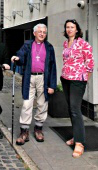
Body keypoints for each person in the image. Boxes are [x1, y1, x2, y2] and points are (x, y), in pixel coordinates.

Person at [11, 23, 57, 145]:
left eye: (44, 32)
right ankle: (24, 131)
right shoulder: (27, 45)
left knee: (42, 104)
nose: (42, 34)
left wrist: (52, 85)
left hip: (43, 78)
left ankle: (38, 129)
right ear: (34, 33)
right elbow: (21, 56)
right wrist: (17, 58)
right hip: (29, 77)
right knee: (27, 103)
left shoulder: (49, 47)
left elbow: (53, 66)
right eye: (40, 32)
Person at [61, 19, 94, 158]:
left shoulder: (83, 43)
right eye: (67, 27)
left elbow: (90, 63)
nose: (69, 29)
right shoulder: (65, 43)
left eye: (72, 27)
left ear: (77, 29)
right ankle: (76, 135)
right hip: (66, 79)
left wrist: (85, 79)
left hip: (77, 81)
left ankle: (79, 143)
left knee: (75, 109)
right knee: (71, 109)